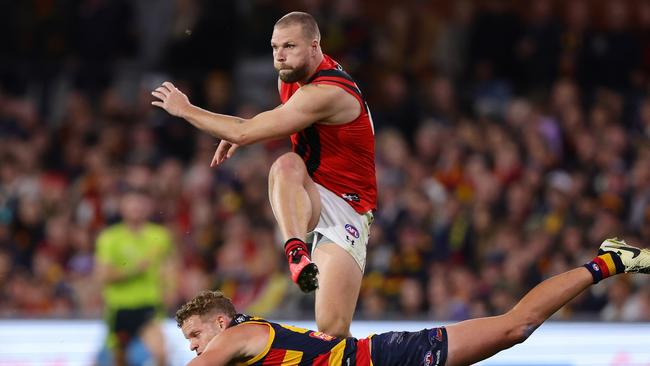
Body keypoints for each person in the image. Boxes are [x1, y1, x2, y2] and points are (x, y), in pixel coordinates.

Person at [152, 11, 376, 337]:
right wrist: (242, 131)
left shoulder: (327, 92)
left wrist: (185, 109)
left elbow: (248, 130)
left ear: (315, 46)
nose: (280, 56)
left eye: (289, 46)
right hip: (310, 191)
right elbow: (277, 118)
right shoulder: (292, 74)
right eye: (274, 47)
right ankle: (295, 250)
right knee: (286, 164)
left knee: (332, 330)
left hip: (348, 206)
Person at [175, 238, 650, 366]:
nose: (194, 346)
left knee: (514, 327)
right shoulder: (244, 344)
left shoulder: (235, 336)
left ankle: (610, 261)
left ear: (220, 322)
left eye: (195, 335)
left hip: (387, 358)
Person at [94, 188, 177, 366]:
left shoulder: (160, 236)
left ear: (148, 207)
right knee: (120, 359)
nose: (136, 208)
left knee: (160, 353)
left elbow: (169, 266)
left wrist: (170, 289)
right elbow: (103, 274)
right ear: (122, 208)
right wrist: (134, 270)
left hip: (149, 304)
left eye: (140, 203)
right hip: (120, 307)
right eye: (131, 203)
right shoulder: (110, 238)